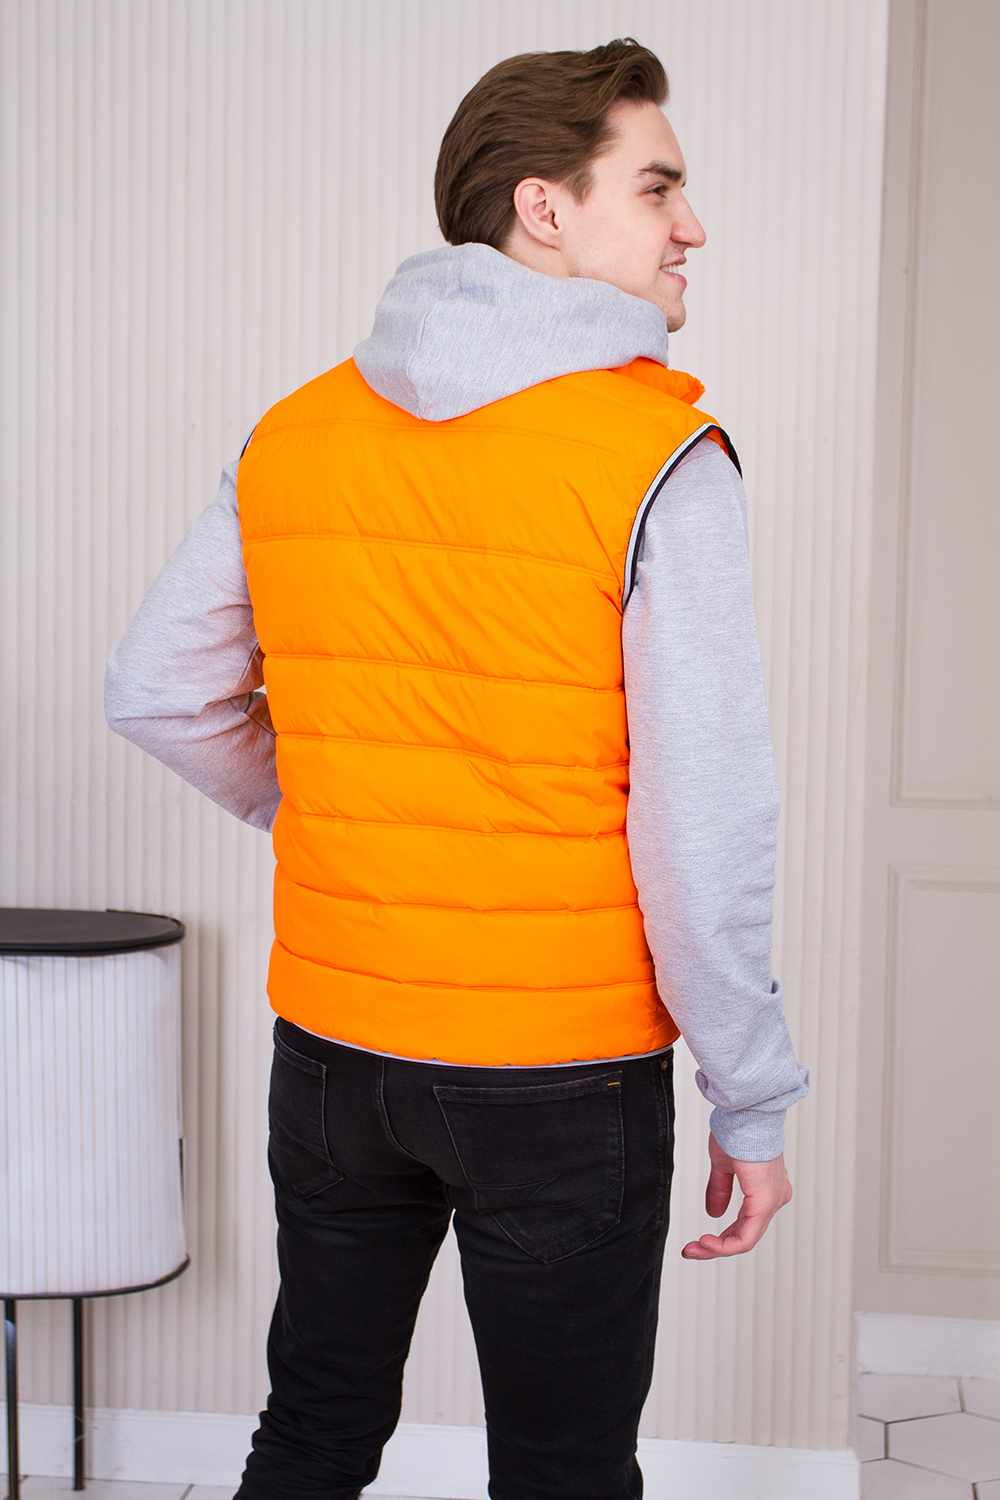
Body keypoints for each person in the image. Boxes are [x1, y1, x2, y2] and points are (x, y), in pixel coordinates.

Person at [106, 38, 808, 1500]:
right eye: (658, 186)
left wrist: (336, 811)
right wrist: (750, 1096)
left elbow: (157, 690)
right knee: (563, 1469)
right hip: (559, 1074)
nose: (692, 226)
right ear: (545, 207)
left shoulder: (297, 430)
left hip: (336, 1049)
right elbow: (704, 830)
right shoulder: (657, 456)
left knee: (313, 1431)